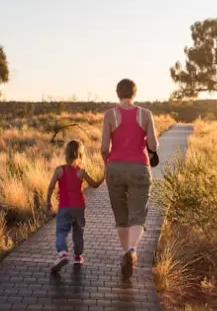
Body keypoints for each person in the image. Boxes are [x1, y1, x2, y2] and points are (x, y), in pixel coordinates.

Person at [101, 78, 159, 278]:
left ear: (118, 93)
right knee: (137, 214)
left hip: (115, 167)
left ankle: (125, 252)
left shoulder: (110, 115)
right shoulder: (145, 114)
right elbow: (153, 145)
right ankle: (132, 250)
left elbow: (103, 148)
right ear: (135, 93)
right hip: (139, 168)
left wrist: (106, 163)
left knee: (121, 215)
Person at [45, 139, 104, 272]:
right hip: (79, 207)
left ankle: (62, 253)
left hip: (65, 206)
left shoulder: (59, 170)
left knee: (61, 231)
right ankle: (78, 256)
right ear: (80, 155)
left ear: (66, 153)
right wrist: (104, 176)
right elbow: (94, 185)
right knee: (78, 231)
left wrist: (48, 202)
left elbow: (50, 187)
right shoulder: (81, 172)